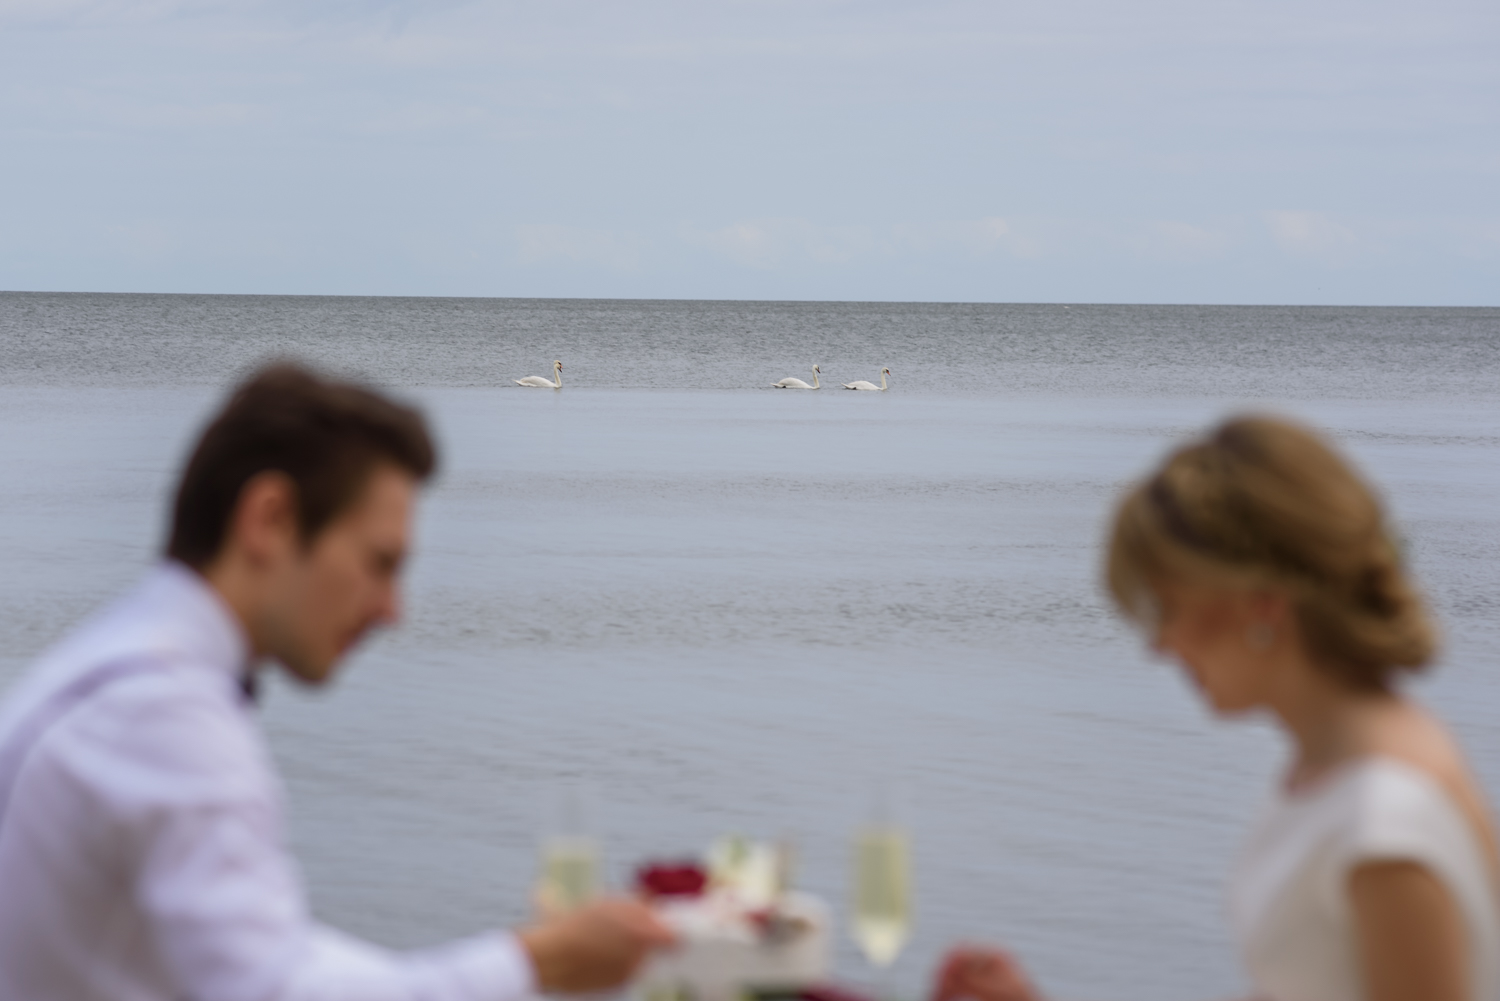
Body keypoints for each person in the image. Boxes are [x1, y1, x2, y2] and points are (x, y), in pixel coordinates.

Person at [0, 363, 673, 1000]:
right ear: (270, 519)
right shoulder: (163, 718)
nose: (393, 609)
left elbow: (267, 957)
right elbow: (281, 991)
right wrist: (537, 960)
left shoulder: (110, 670)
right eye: (379, 563)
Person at [931, 415, 1500, 1001]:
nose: (1159, 646)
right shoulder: (1345, 763)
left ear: (1261, 603)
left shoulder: (1382, 827)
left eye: (1169, 607)